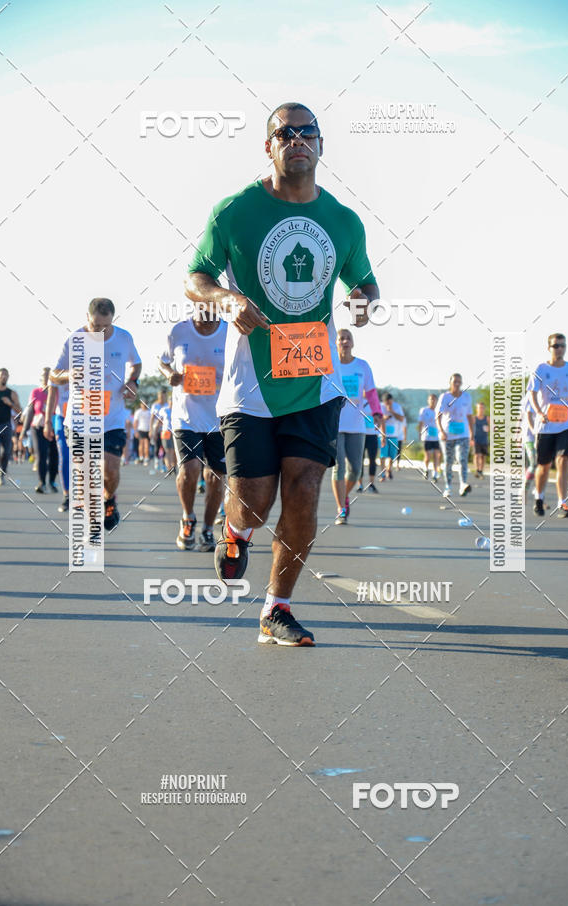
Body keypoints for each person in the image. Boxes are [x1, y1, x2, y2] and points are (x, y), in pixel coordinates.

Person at [184, 101, 378, 646]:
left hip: (316, 378)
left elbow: (364, 282)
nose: (296, 139)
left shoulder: (342, 219)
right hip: (250, 385)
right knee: (254, 498)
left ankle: (277, 607)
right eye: (283, 133)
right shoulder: (234, 212)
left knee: (304, 490)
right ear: (268, 147)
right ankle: (234, 530)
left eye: (306, 132)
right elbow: (195, 275)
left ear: (321, 145)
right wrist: (224, 297)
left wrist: (363, 301)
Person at [51, 298, 141, 530]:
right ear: (87, 318)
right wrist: (70, 374)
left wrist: (133, 382)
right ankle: (92, 523)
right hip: (79, 420)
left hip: (112, 418)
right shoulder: (75, 340)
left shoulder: (123, 338)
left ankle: (109, 499)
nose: (100, 331)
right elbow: (54, 374)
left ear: (112, 320)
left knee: (110, 469)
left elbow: (136, 364)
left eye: (105, 326)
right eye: (95, 325)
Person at [158, 311, 227, 552]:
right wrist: (170, 375)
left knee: (215, 477)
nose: (206, 319)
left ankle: (208, 529)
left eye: (211, 312)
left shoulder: (229, 332)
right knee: (190, 470)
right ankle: (188, 519)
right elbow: (162, 361)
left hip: (219, 417)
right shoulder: (178, 331)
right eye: (200, 312)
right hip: (185, 416)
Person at [529, 333, 568, 518]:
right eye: (556, 346)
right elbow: (532, 393)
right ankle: (539, 497)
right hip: (545, 425)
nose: (559, 348)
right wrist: (539, 412)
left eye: (562, 345)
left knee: (563, 460)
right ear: (549, 348)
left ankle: (562, 503)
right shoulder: (541, 369)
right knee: (544, 466)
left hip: (566, 424)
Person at [332, 329, 382, 524]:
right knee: (339, 467)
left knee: (355, 470)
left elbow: (371, 392)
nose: (345, 341)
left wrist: (377, 412)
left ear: (352, 343)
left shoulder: (362, 366)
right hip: (334, 424)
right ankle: (341, 508)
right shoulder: (330, 365)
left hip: (357, 424)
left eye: (348, 338)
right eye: (341, 338)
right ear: (335, 343)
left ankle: (344, 496)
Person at [437, 373, 473, 498]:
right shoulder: (445, 397)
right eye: (454, 382)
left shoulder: (466, 397)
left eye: (459, 382)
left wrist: (472, 434)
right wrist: (441, 431)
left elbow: (469, 415)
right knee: (448, 461)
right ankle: (448, 486)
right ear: (450, 383)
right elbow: (438, 415)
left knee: (462, 458)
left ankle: (463, 484)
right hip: (447, 434)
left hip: (463, 434)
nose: (457, 384)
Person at [28, 367, 59, 494]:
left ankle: (51, 480)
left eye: (48, 375)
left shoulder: (57, 392)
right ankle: (42, 482)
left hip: (54, 426)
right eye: (44, 375)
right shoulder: (36, 392)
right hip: (38, 427)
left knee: (54, 456)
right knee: (41, 454)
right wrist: (24, 431)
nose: (46, 377)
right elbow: (30, 410)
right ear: (41, 378)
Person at [44, 382, 70, 512]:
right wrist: (47, 422)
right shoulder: (58, 371)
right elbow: (51, 397)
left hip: (84, 419)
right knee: (65, 457)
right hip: (62, 419)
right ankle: (67, 496)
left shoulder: (89, 368)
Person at [0, 368, 22, 486]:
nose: (4, 377)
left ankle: (2, 474)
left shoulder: (12, 393)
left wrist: (10, 403)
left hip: (6, 425)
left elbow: (20, 411)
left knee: (7, 453)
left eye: (6, 375)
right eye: (2, 375)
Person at [379, 392, 405, 481]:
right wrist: (384, 418)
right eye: (387, 403)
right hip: (382, 435)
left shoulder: (397, 407)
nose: (388, 404)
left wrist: (392, 411)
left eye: (390, 402)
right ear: (384, 401)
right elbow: (377, 420)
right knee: (383, 455)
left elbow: (402, 419)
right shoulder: (380, 406)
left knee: (391, 456)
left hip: (394, 435)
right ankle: (382, 474)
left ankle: (389, 470)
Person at [358, 398, 380, 493]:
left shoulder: (375, 403)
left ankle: (371, 484)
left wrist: (383, 435)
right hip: (360, 434)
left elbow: (380, 419)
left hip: (373, 436)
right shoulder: (358, 401)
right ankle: (360, 485)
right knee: (360, 460)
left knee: (372, 460)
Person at [418, 393, 440, 481]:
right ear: (428, 400)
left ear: (436, 401)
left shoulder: (439, 411)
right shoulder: (424, 410)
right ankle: (426, 469)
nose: (432, 401)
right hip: (427, 436)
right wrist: (420, 433)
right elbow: (420, 422)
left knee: (436, 455)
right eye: (431, 399)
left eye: (434, 399)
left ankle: (435, 473)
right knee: (428, 456)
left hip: (437, 437)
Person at [521, 392, 537, 502]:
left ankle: (539, 496)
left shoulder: (548, 394)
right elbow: (522, 418)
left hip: (544, 434)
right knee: (534, 463)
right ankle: (524, 490)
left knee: (542, 466)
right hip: (530, 436)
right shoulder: (528, 397)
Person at [150, 389, 167, 471]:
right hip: (156, 429)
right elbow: (152, 418)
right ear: (158, 396)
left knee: (164, 447)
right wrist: (151, 430)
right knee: (157, 445)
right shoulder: (155, 405)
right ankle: (157, 460)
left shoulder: (168, 405)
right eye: (160, 396)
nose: (162, 398)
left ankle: (164, 464)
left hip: (165, 429)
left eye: (163, 396)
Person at [473, 402, 489, 478]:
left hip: (484, 439)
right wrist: (471, 438)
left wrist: (489, 428)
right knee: (477, 455)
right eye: (479, 408)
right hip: (476, 439)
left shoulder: (487, 418)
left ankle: (481, 471)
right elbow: (469, 428)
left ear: (484, 409)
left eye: (482, 408)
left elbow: (494, 427)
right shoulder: (474, 418)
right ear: (477, 409)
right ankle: (477, 470)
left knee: (483, 456)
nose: (481, 409)